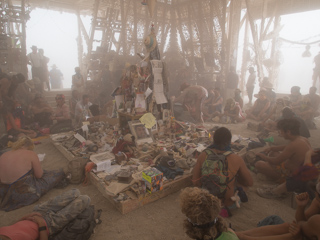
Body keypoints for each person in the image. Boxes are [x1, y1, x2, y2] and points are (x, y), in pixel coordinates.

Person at [236, 179, 320, 240]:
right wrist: (301, 207)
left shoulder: (317, 221)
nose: (315, 194)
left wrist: (298, 237)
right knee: (286, 225)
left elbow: (301, 228)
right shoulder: (317, 203)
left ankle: (243, 237)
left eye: (317, 195)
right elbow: (300, 223)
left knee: (291, 234)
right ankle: (238, 235)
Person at [192, 127, 253, 208]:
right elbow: (250, 183)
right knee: (244, 187)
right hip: (227, 204)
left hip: (206, 202)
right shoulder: (237, 159)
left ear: (214, 139)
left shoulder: (203, 155)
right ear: (229, 141)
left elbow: (195, 181)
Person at [0, 137, 65, 211]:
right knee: (58, 173)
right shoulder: (30, 154)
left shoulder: (4, 154)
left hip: (4, 192)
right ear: (30, 146)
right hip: (22, 192)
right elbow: (39, 175)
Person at [0, 189, 90, 240]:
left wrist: (26, 217)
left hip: (38, 213)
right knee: (85, 199)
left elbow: (13, 227)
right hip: (49, 224)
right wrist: (41, 224)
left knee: (75, 192)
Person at [255, 118, 312, 198]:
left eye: (281, 131)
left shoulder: (294, 144)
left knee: (259, 164)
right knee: (273, 153)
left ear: (288, 132)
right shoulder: (303, 139)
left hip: (290, 175)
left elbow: (276, 161)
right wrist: (273, 148)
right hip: (299, 171)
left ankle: (280, 184)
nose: (280, 133)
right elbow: (287, 147)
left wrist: (263, 157)